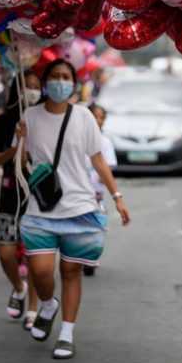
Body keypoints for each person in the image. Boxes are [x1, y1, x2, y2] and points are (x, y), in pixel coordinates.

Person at [19, 59, 131, 360]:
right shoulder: (29, 117)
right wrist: (17, 140)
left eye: (65, 76)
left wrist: (117, 196)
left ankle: (66, 333)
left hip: (80, 206)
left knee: (71, 271)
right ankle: (47, 304)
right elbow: (20, 163)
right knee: (41, 271)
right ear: (45, 83)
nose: (60, 81)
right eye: (54, 76)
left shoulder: (83, 117)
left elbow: (97, 160)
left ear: (73, 82)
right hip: (42, 208)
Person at [0, 71, 43, 324]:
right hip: (10, 194)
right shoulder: (5, 121)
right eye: (26, 86)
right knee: (6, 254)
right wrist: (15, 147)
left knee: (34, 254)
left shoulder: (46, 121)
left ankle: (33, 308)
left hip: (38, 195)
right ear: (17, 91)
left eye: (35, 86)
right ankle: (18, 288)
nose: (32, 91)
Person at [83, 103, 117, 277]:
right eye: (94, 116)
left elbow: (107, 168)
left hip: (96, 195)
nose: (98, 120)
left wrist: (115, 195)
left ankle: (91, 255)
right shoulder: (77, 139)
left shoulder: (105, 143)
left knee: (97, 227)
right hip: (77, 194)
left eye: (101, 117)